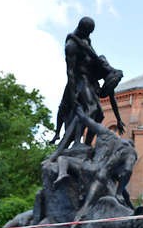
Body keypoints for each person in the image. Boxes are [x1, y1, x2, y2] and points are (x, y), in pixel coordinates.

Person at [49, 16, 125, 161]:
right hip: (80, 79)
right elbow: (70, 73)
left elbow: (111, 95)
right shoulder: (71, 45)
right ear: (83, 29)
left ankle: (87, 144)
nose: (89, 36)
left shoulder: (86, 42)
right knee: (88, 109)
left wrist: (119, 119)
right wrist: (72, 95)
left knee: (100, 114)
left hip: (90, 80)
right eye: (88, 32)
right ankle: (75, 141)